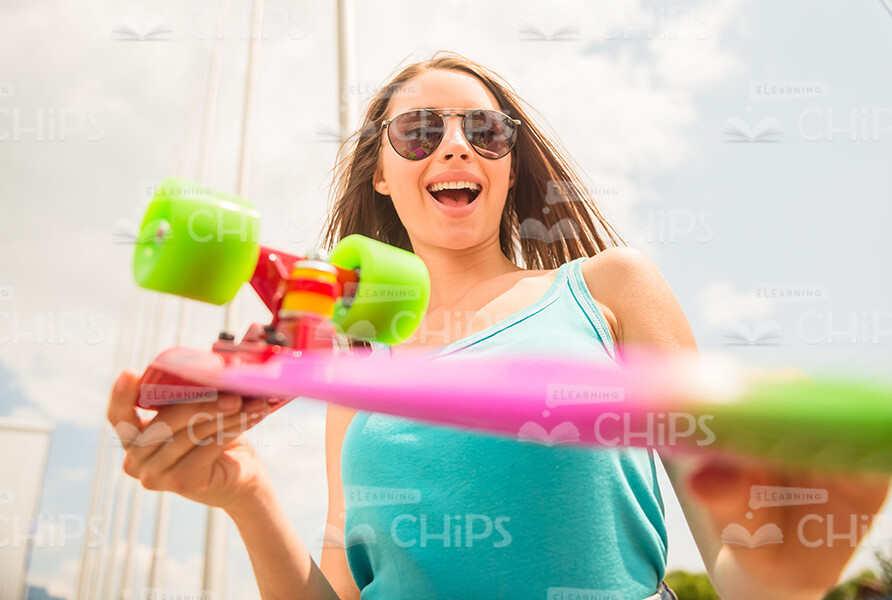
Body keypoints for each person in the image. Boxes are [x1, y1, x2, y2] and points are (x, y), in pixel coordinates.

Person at [108, 52, 890, 599]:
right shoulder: (356, 367)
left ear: (508, 165)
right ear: (381, 172)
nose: (454, 144)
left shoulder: (610, 289)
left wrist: (795, 564)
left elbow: (740, 571)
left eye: (484, 132)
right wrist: (247, 495)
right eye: (419, 132)